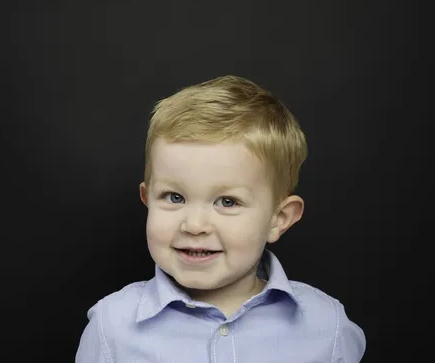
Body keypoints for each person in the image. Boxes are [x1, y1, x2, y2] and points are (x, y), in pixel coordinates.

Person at [75, 75, 366, 362]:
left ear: (278, 219)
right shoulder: (111, 327)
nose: (194, 225)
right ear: (147, 199)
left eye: (227, 202)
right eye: (174, 197)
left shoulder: (328, 327)